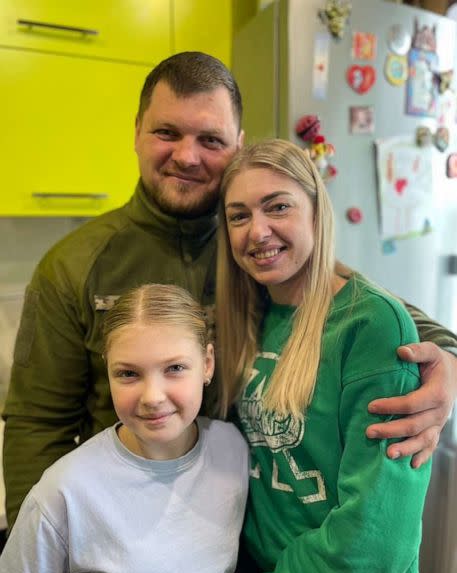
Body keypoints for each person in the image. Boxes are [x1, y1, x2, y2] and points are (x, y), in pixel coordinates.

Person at [3, 51, 457, 535]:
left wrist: (448, 358)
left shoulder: (257, 248)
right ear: (137, 132)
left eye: (210, 139)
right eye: (166, 133)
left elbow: (360, 304)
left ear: (237, 146)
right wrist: (50, 558)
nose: (187, 156)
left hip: (244, 528)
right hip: (118, 531)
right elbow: (37, 426)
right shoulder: (73, 265)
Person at [217, 139, 432, 573]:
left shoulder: (370, 324)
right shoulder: (249, 315)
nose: (257, 231)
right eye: (239, 215)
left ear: (316, 212)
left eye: (278, 207)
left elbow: (373, 544)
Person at [0, 284, 249, 573]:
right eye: (129, 373)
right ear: (108, 370)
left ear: (207, 364)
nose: (153, 397)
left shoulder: (232, 449)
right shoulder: (65, 491)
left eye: (174, 368)